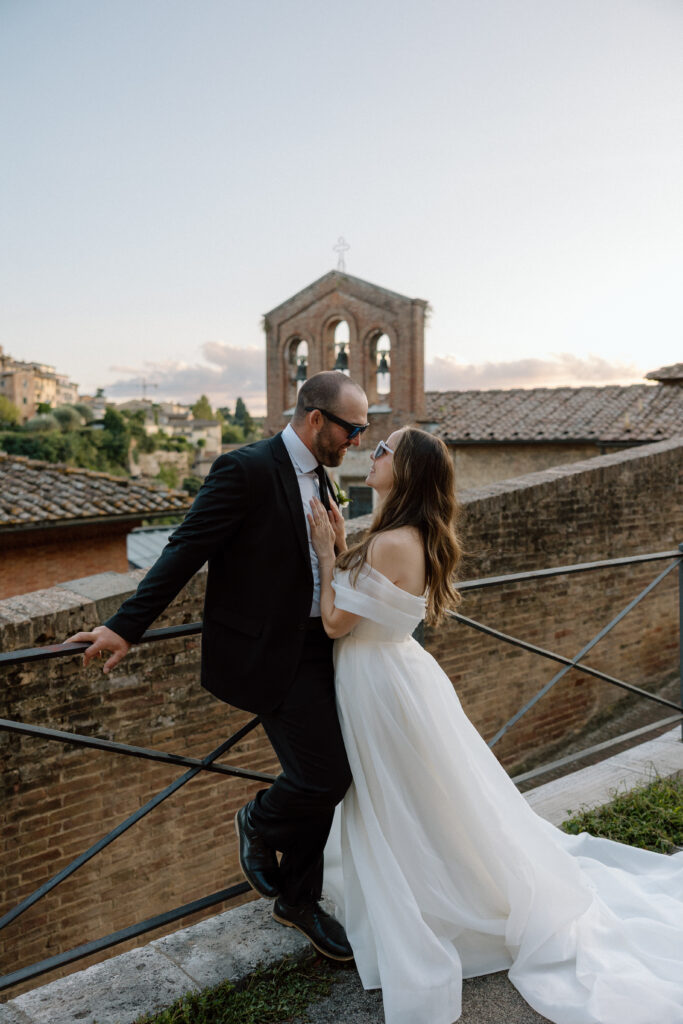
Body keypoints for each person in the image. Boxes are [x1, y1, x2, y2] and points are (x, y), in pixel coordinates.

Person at [307, 426, 683, 1024]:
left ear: (406, 471)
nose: (372, 453)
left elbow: (332, 624)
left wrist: (327, 552)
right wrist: (347, 542)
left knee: (401, 797)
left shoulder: (391, 543)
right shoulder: (403, 535)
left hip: (377, 682)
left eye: (384, 450)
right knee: (423, 797)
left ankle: (435, 897)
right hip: (393, 676)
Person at [67, 371, 370, 962]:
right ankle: (257, 822)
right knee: (324, 777)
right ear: (316, 419)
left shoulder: (323, 481)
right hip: (268, 652)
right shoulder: (247, 469)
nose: (356, 439)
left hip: (322, 646)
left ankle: (299, 901)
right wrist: (126, 627)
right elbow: (186, 548)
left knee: (330, 773)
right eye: (351, 428)